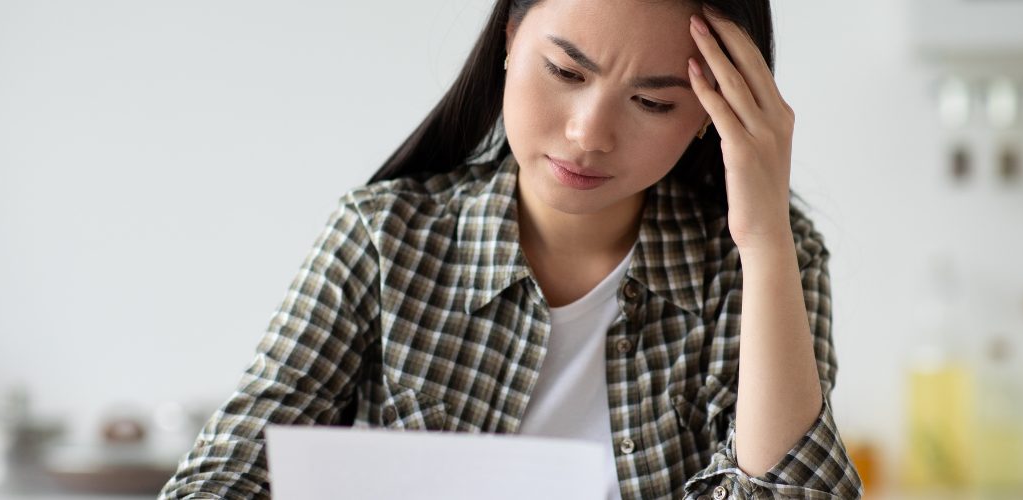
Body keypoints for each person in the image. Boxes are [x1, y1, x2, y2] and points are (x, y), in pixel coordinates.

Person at [158, 0, 862, 498]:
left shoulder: (762, 264)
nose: (589, 134)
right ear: (508, 38)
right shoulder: (384, 237)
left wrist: (764, 238)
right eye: (565, 72)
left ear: (714, 115)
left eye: (653, 103)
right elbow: (221, 478)